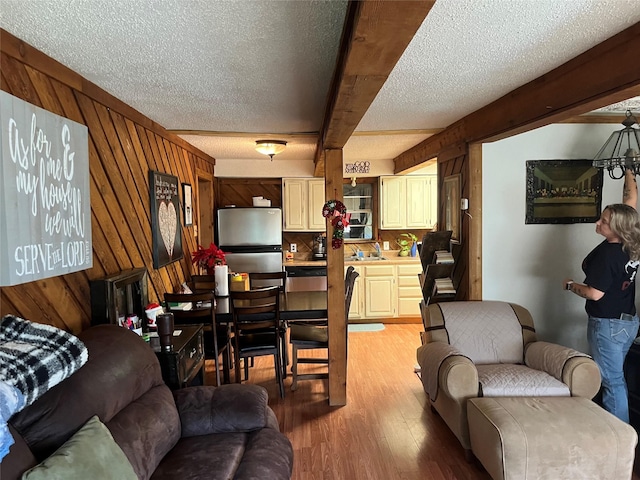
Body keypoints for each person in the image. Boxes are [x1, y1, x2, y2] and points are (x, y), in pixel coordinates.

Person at [563, 169, 640, 422]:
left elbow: (594, 294)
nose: (598, 222)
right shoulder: (630, 244)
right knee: (616, 378)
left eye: (604, 221)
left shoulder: (608, 255)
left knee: (612, 381)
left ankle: (618, 434)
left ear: (617, 226)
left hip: (607, 323)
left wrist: (571, 285)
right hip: (627, 322)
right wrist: (629, 169)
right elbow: (629, 204)